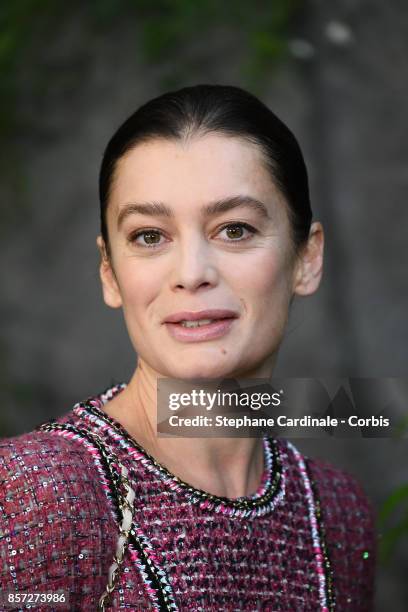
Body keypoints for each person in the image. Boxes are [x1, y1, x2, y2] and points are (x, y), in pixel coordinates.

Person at [0, 84, 376, 611]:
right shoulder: (33, 496)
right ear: (110, 271)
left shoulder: (337, 513)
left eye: (234, 229)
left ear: (306, 258)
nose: (192, 273)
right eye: (150, 236)